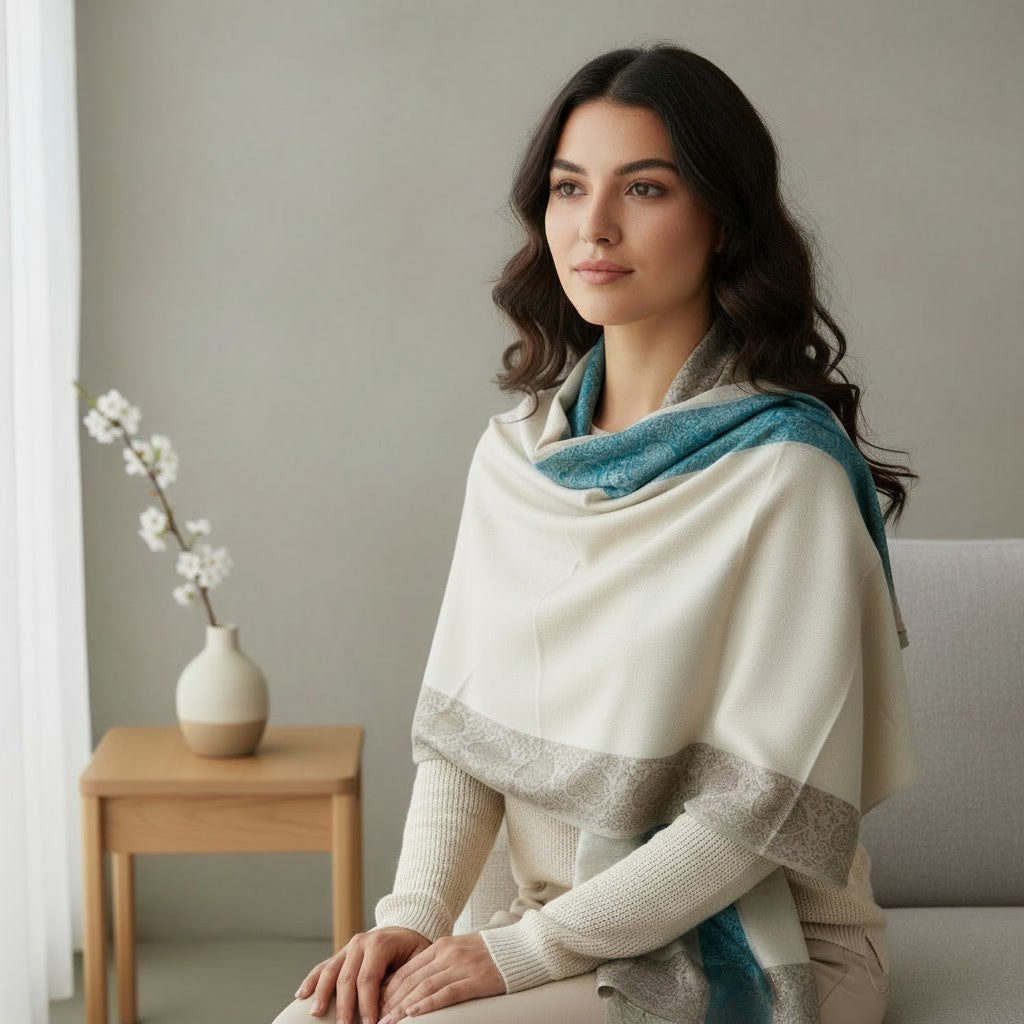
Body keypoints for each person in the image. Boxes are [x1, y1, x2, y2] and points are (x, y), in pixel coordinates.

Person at [270, 41, 918, 1024]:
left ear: (724, 220)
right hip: (538, 915)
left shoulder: (787, 474)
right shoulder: (515, 457)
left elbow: (749, 824)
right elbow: (463, 742)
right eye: (569, 188)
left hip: (760, 935)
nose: (595, 226)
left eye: (645, 188)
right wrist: (410, 919)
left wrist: (517, 957)